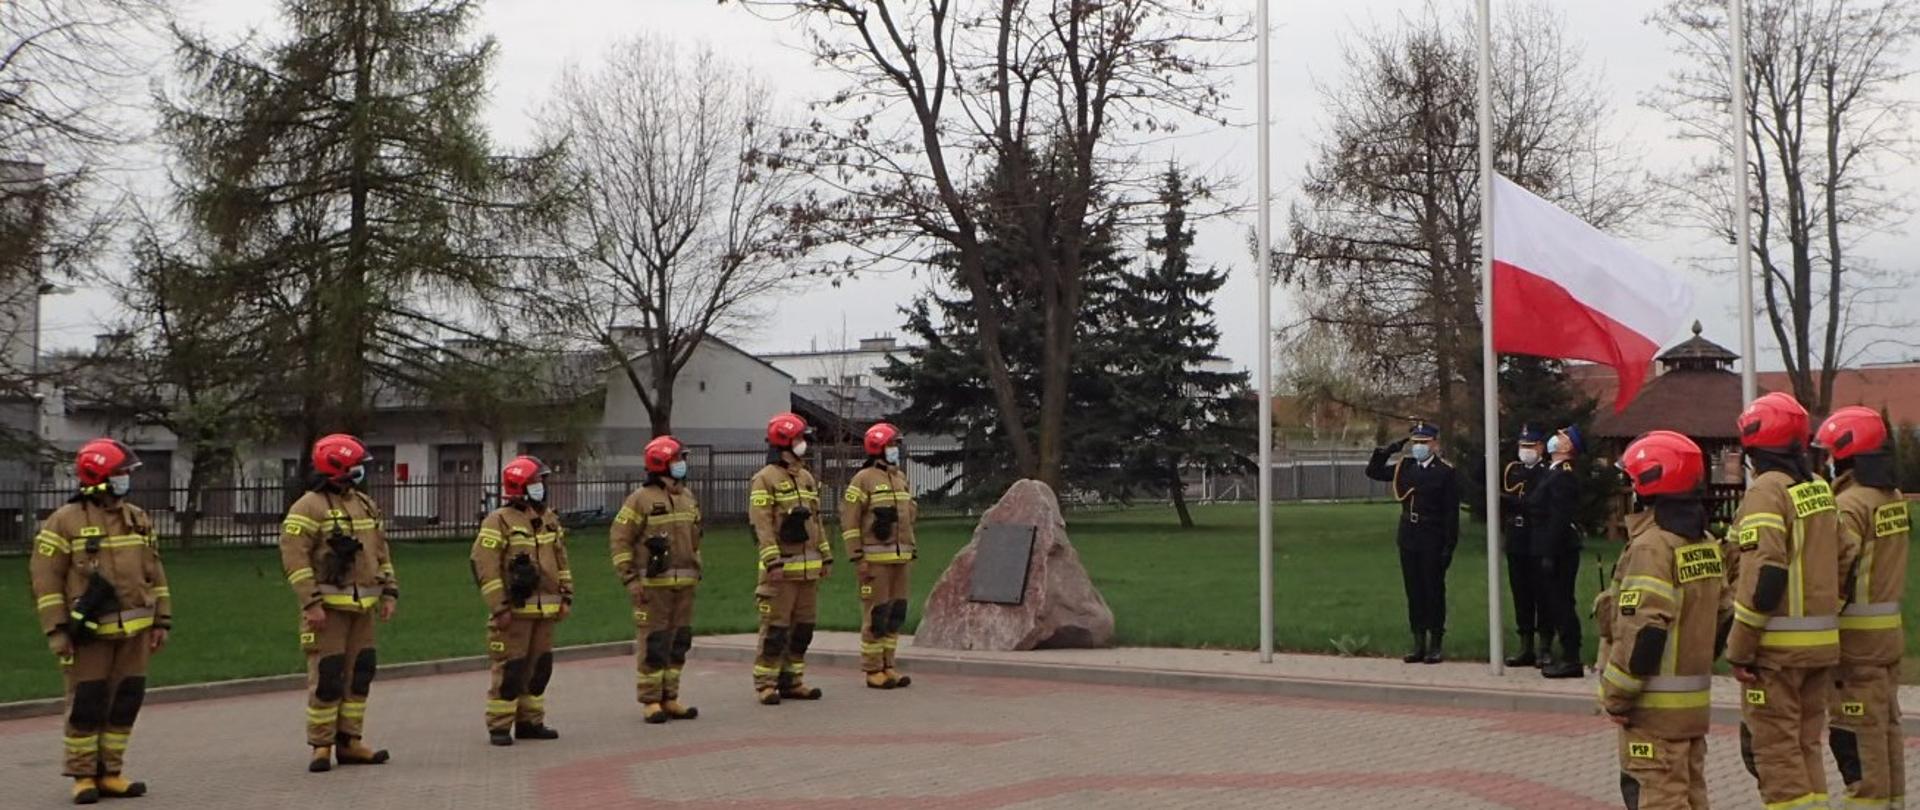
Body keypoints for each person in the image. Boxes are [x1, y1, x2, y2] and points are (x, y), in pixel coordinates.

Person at [1725, 393, 1850, 810]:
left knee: (1777, 757)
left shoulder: (1766, 490)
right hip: (1820, 648)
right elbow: (1847, 553)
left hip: (1775, 654)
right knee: (1806, 747)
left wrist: (1740, 648)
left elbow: (1764, 572)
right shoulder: (1818, 488)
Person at [30, 439, 172, 804]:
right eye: (121, 473)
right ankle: (82, 775)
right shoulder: (64, 522)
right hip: (89, 636)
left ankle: (111, 772)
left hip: (136, 632)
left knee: (125, 701)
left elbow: (155, 572)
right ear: (99, 477)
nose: (127, 479)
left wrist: (162, 621)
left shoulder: (137, 518)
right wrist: (57, 629)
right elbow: (46, 581)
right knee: (87, 703)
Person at [1598, 430, 1728, 810]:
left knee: (1657, 799)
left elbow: (1645, 632)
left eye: (1633, 478)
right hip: (1690, 710)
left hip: (1652, 711)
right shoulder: (1702, 541)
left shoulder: (1653, 547)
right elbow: (1724, 618)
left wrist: (1618, 697)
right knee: (1690, 798)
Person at [279, 433, 398, 773]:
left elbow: (380, 552)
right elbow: (295, 560)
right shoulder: (308, 507)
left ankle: (350, 741)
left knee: (360, 673)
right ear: (337, 468)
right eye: (356, 466)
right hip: (327, 612)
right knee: (328, 676)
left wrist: (389, 592)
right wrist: (311, 603)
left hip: (363, 609)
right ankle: (321, 745)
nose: (362, 472)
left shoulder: (364, 504)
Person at [1815, 406, 1908, 808]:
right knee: (1885, 730)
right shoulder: (1891, 498)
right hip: (1887, 639)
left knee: (1855, 735)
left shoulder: (1849, 506)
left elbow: (1838, 571)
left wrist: (1820, 622)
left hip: (1855, 646)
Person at [471, 455, 571, 745]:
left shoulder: (549, 519)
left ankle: (530, 722)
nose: (543, 486)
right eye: (537, 481)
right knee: (511, 669)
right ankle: (500, 726)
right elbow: (484, 566)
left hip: (546, 610)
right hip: (514, 612)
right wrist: (499, 606)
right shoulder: (498, 521)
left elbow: (562, 561)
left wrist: (566, 596)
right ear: (521, 486)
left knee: (539, 668)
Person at [610, 435, 704, 724]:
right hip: (653, 587)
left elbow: (696, 536)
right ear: (661, 463)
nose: (682, 464)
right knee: (654, 642)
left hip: (684, 585)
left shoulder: (687, 497)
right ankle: (651, 700)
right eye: (678, 459)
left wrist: (696, 567)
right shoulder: (640, 500)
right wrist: (630, 579)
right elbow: (620, 540)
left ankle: (670, 697)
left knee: (678, 642)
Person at [747, 412, 833, 704]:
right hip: (781, 571)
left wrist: (826, 556)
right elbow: (762, 525)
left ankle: (792, 680)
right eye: (798, 438)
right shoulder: (765, 479)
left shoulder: (807, 477)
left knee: (802, 630)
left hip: (808, 570)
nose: (803, 443)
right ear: (784, 442)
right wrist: (772, 562)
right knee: (776, 630)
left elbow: (816, 522)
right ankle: (766, 683)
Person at [1366, 422, 1461, 664]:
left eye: (1424, 442)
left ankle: (1435, 642)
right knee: (1414, 590)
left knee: (1433, 589)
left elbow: (1451, 513)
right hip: (1409, 534)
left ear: (1435, 444)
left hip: (1433, 535)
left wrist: (1449, 546)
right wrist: (1387, 450)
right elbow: (1374, 472)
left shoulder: (1445, 472)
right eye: (1416, 442)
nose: (1419, 447)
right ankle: (1418, 642)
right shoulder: (1405, 467)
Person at [840, 422, 919, 689]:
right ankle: (872, 669)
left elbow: (909, 517)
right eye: (891, 445)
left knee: (895, 613)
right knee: (876, 614)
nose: (895, 449)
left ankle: (889, 664)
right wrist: (857, 557)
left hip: (900, 560)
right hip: (874, 562)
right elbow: (850, 522)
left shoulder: (899, 478)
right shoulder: (863, 479)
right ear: (878, 448)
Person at [1530, 425, 1586, 679]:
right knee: (1555, 601)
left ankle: (1571, 657)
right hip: (1550, 545)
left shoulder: (1564, 475)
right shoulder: (1552, 472)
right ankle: (1566, 655)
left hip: (1561, 548)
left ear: (1567, 447)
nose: (1554, 438)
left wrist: (1550, 553)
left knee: (1563, 602)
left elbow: (1559, 518)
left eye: (1561, 437)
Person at [1500, 425, 1550, 667]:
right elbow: (1480, 479)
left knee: (1542, 593)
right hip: (1516, 539)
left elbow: (1536, 505)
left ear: (1540, 447)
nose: (1525, 451)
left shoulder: (1547, 473)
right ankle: (1526, 645)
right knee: (1521, 594)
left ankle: (1545, 646)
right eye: (1522, 446)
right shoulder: (1513, 470)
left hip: (1536, 537)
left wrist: (1512, 503)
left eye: (1530, 446)